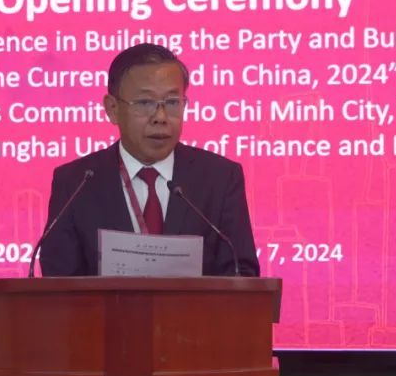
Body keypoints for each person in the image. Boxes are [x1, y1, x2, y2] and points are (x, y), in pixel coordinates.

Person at [38, 43, 260, 277]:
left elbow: (242, 274)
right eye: (145, 103)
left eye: (172, 102)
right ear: (112, 109)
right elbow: (59, 281)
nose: (160, 117)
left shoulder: (220, 178)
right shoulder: (76, 182)